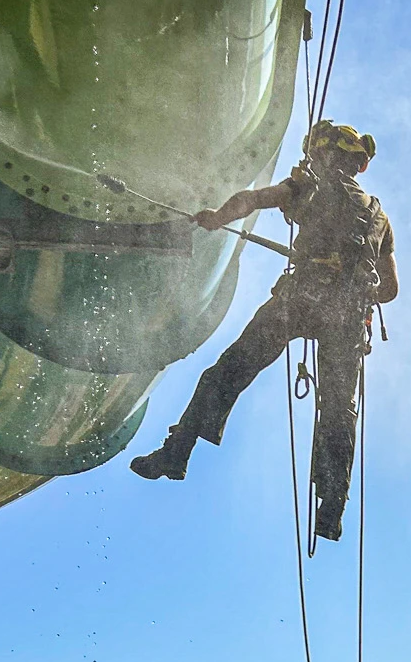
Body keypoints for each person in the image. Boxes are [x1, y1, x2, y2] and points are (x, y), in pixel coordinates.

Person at [130, 120, 397, 542]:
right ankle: (331, 510)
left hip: (300, 299)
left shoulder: (305, 185)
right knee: (338, 412)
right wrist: (355, 284)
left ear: (326, 155)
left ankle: (177, 452)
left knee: (229, 371)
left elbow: (251, 199)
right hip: (346, 316)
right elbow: (392, 290)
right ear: (358, 164)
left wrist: (218, 218)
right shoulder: (378, 216)